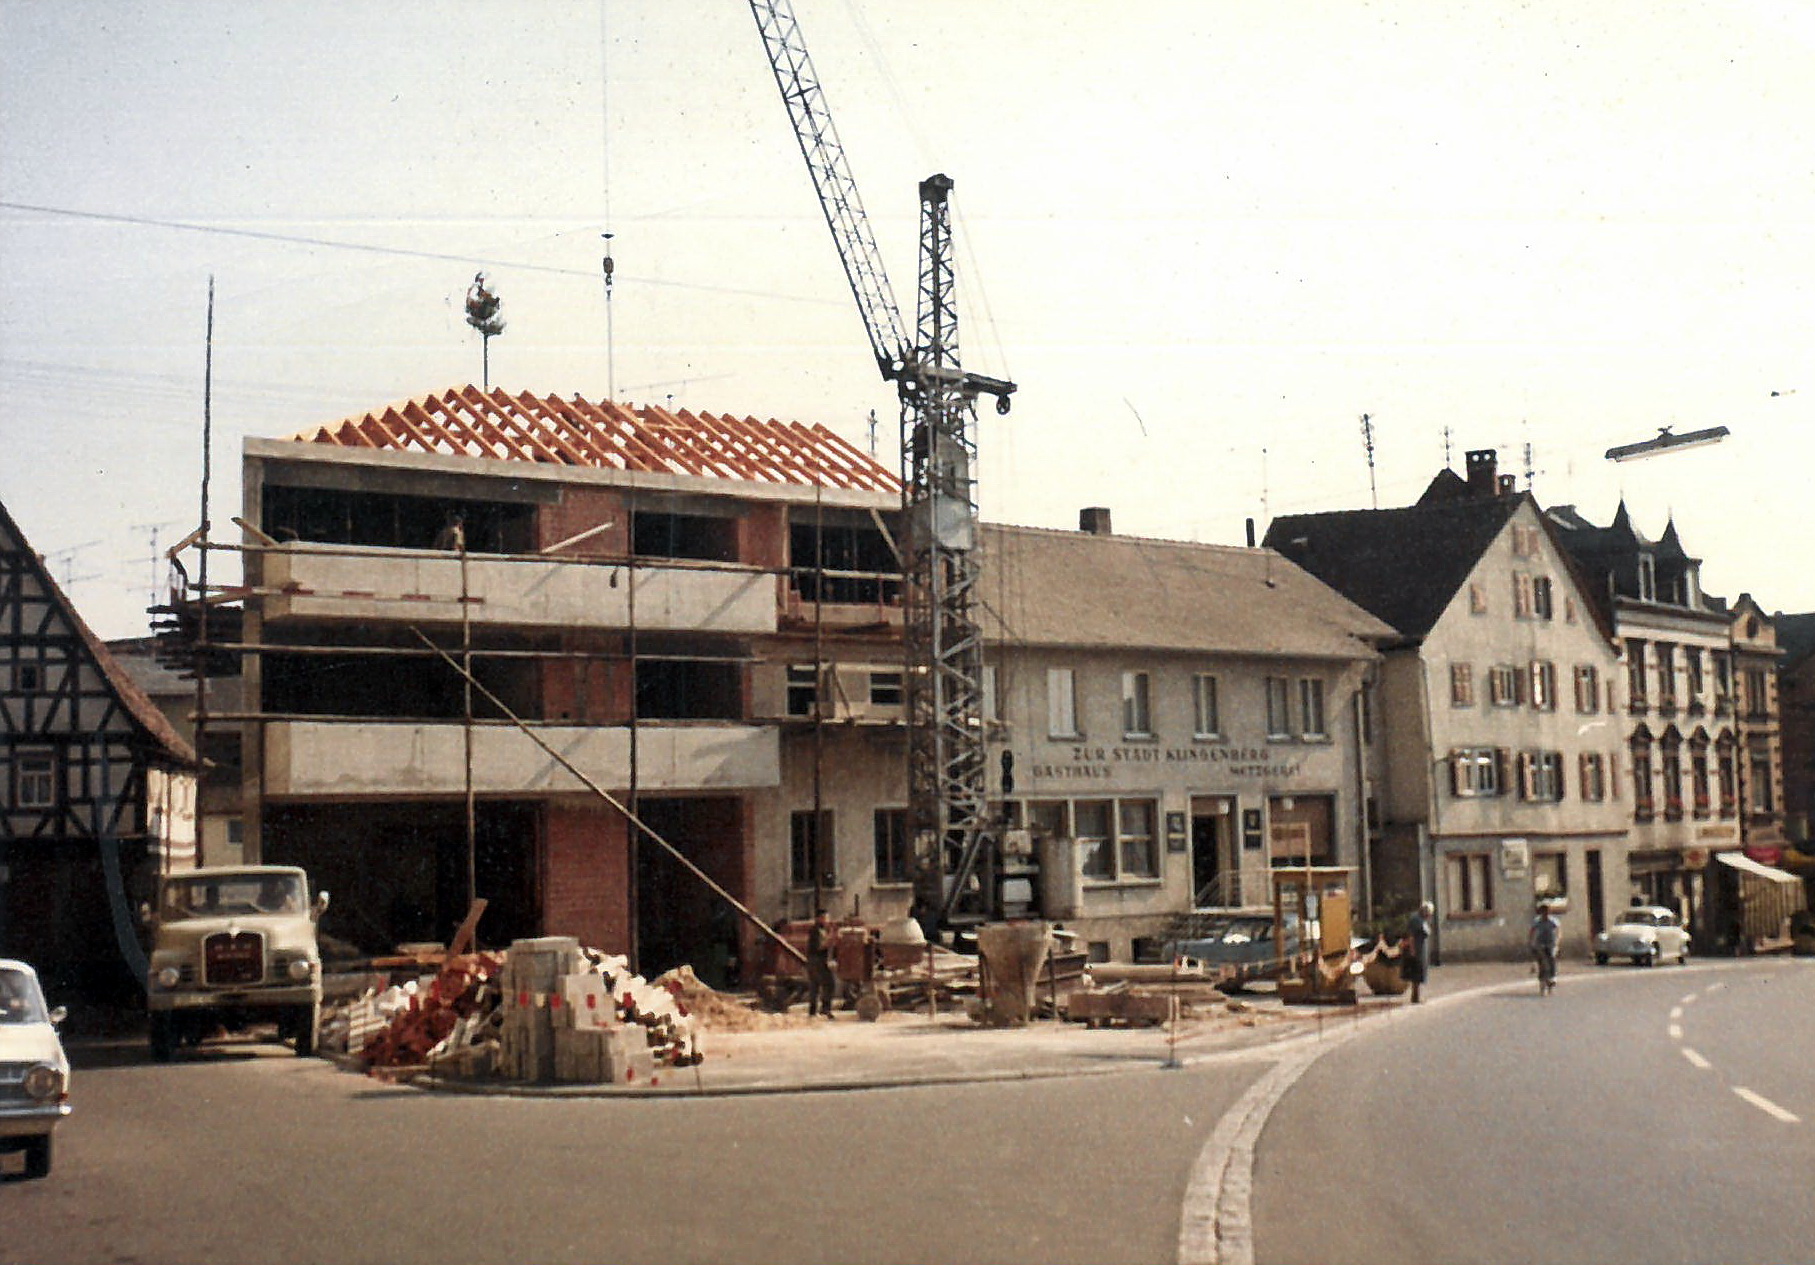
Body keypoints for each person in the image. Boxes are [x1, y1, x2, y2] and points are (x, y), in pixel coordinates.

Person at [805, 909, 838, 1018]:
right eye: (825, 918)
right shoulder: (816, 931)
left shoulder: (823, 930)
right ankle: (825, 1009)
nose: (827, 920)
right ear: (818, 918)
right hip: (816, 961)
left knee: (816, 986)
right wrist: (830, 940)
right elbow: (819, 946)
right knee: (829, 984)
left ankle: (813, 1011)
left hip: (817, 961)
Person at [1402, 901, 1434, 1003]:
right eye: (1428, 913)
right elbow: (1411, 936)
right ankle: (1415, 997)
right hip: (1416, 950)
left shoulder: (1422, 920)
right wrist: (1412, 950)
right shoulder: (1416, 920)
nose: (1429, 916)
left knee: (1419, 974)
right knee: (1416, 974)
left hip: (1421, 950)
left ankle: (1416, 996)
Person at [1530, 902, 1561, 993]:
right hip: (1540, 944)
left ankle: (1552, 977)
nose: (1545, 914)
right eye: (1543, 912)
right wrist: (1532, 942)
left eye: (1547, 912)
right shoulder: (1537, 921)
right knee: (1542, 962)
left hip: (1551, 944)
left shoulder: (1553, 921)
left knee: (1552, 959)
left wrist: (1557, 943)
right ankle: (1542, 982)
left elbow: (1558, 932)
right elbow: (1532, 931)